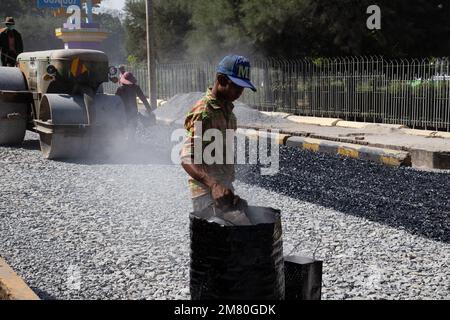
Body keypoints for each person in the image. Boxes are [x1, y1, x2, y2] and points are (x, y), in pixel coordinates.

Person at [180, 55, 257, 214]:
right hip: (206, 193)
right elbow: (187, 157)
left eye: (243, 88)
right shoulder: (204, 113)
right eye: (236, 86)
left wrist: (228, 191)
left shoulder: (229, 114)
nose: (240, 93)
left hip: (223, 191)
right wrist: (214, 185)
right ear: (221, 80)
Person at [115, 71, 155, 142]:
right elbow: (116, 101)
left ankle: (130, 141)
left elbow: (143, 98)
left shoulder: (133, 87)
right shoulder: (121, 89)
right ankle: (126, 141)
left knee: (132, 127)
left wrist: (149, 109)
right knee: (125, 127)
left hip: (131, 112)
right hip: (124, 112)